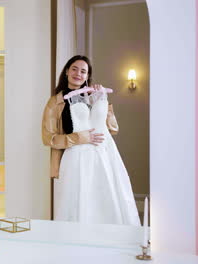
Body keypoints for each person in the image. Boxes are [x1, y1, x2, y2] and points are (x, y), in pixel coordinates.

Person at [42, 55, 139, 225]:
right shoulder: (55, 102)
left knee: (103, 202)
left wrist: (102, 100)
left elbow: (113, 129)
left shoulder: (92, 96)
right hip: (74, 159)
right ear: (66, 71)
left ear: (87, 76)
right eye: (74, 69)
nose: (78, 74)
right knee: (77, 204)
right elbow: (48, 138)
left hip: (102, 158)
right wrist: (79, 138)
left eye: (83, 71)